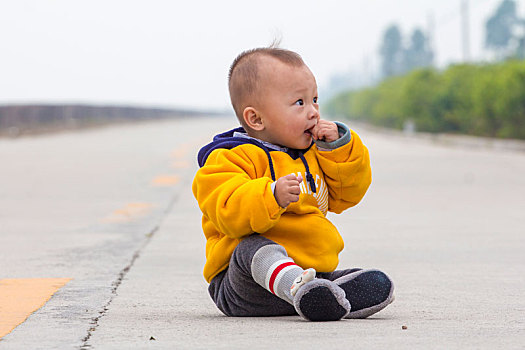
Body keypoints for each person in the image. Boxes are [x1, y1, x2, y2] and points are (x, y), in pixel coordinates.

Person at [192, 46, 394, 321]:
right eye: (299, 103)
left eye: (314, 100)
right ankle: (306, 289)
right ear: (256, 118)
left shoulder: (314, 154)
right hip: (244, 287)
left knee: (366, 281)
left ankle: (322, 295)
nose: (313, 112)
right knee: (252, 249)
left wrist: (338, 149)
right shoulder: (229, 158)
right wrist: (270, 194)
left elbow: (347, 195)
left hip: (309, 271)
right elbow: (226, 209)